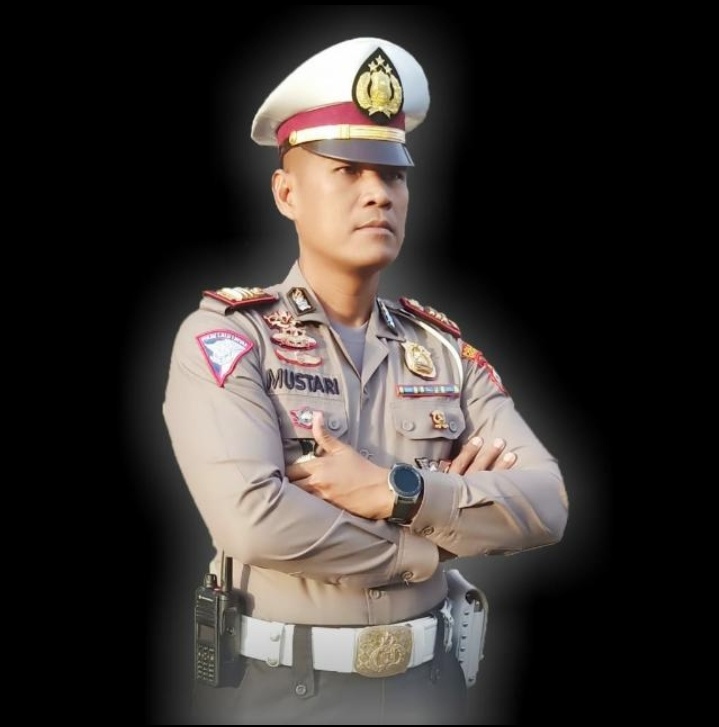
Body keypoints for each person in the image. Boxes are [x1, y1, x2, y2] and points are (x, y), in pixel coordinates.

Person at [162, 36, 569, 726]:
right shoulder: (228, 340)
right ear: (286, 192)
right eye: (348, 170)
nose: (378, 193)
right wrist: (430, 542)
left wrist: (396, 491)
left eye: (393, 175)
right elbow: (253, 522)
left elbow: (547, 502)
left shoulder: (442, 351)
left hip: (428, 689)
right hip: (279, 696)